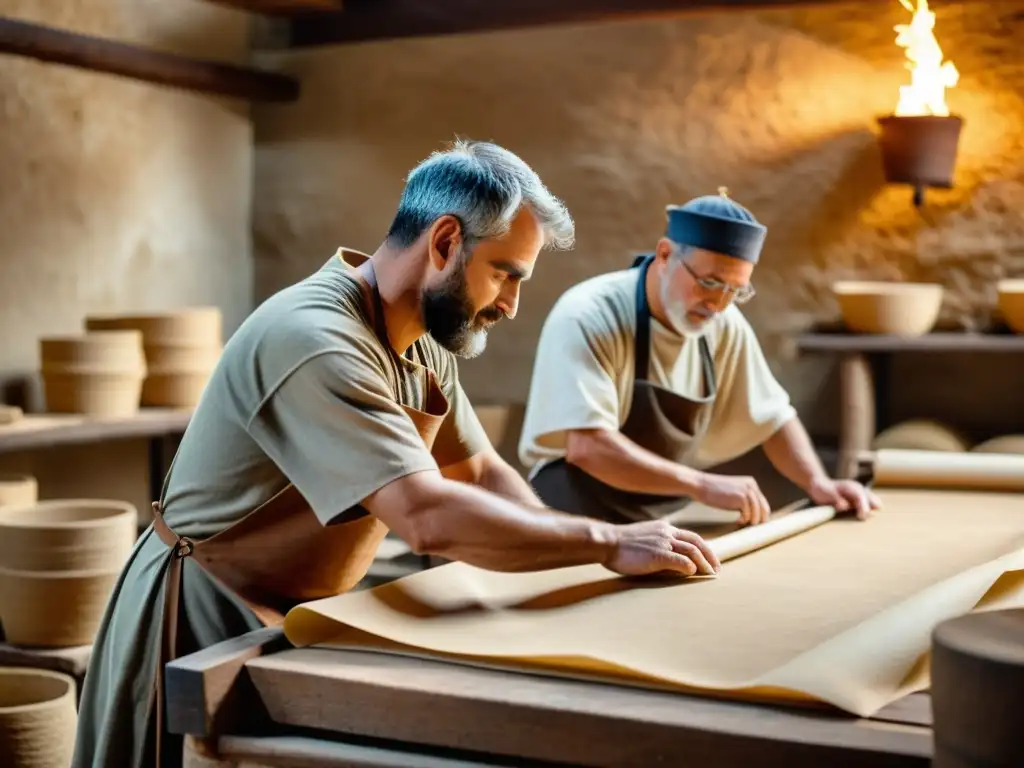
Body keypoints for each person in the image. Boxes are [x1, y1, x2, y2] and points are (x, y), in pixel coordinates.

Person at [71, 140, 722, 768]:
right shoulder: (318, 337)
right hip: (199, 610)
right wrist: (605, 542)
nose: (512, 305)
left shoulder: (423, 341)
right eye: (505, 274)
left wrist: (561, 567)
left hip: (291, 612)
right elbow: (425, 515)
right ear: (444, 243)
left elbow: (479, 471)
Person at [519, 188, 882, 527]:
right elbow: (589, 449)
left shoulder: (722, 323)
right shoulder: (589, 314)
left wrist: (819, 484)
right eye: (709, 282)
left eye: (736, 290)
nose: (719, 304)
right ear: (664, 255)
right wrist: (702, 485)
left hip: (658, 519)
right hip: (573, 514)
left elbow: (773, 416)